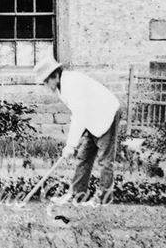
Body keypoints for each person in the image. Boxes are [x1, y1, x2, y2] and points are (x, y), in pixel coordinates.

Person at [35, 57, 122, 205]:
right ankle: (77, 194)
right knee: (84, 157)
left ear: (54, 75)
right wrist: (73, 144)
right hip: (92, 118)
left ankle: (103, 200)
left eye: (45, 81)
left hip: (107, 113)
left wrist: (70, 145)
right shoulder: (61, 85)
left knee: (105, 160)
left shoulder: (71, 83)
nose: (45, 85)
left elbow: (79, 115)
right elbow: (81, 114)